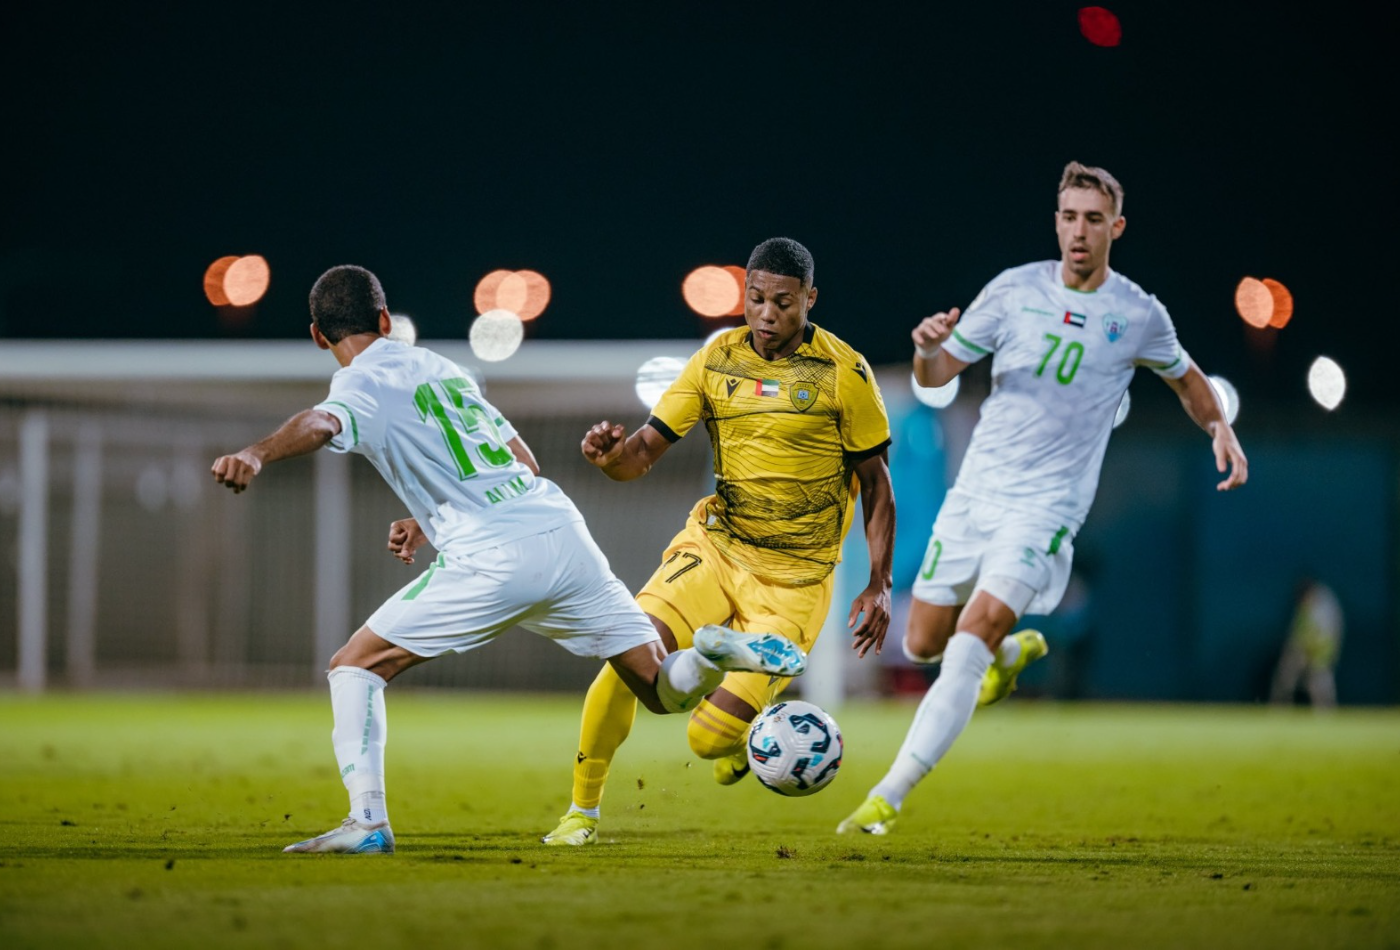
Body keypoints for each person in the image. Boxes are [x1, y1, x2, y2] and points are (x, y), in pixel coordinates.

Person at [210, 264, 808, 855]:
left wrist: (256, 453)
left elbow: (319, 422)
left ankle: (366, 821)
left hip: (491, 554)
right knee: (659, 689)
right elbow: (522, 459)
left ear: (318, 335)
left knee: (355, 667)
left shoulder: (359, 382)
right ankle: (709, 652)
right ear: (385, 319)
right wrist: (428, 517)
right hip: (561, 532)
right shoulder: (442, 370)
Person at [837, 161, 1249, 835]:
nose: (1078, 232)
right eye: (1068, 217)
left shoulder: (1138, 313)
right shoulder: (1013, 289)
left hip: (1047, 508)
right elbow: (940, 375)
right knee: (921, 643)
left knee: (967, 643)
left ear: (1116, 227)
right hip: (976, 493)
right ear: (1055, 221)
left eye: (1092, 219)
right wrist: (923, 352)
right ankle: (1006, 658)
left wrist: (1220, 428)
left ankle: (889, 795)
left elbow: (1189, 379)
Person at [542, 237, 896, 845]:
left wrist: (879, 584)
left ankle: (732, 724)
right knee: (624, 663)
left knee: (704, 739)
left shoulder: (845, 373)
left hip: (794, 583)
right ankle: (582, 813)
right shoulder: (716, 360)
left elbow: (877, 485)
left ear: (810, 298)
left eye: (783, 302)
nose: (765, 314)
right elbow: (640, 457)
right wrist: (609, 460)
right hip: (714, 548)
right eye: (754, 299)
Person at [1269, 578, 1343, 709]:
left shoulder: (1325, 606)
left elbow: (1327, 636)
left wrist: (1313, 651)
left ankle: (1325, 711)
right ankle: (1280, 708)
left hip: (1321, 649)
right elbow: (1298, 631)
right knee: (1286, 675)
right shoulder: (1304, 607)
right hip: (1302, 647)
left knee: (1319, 680)